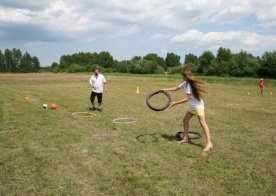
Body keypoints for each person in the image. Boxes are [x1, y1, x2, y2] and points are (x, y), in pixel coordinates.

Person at [160, 68, 213, 152]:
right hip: (192, 107)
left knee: (203, 123)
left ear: (185, 76)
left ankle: (209, 143)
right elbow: (176, 88)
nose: (182, 77)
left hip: (198, 107)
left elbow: (186, 99)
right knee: (185, 120)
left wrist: (175, 103)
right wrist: (164, 89)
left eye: (182, 76)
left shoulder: (189, 85)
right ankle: (185, 138)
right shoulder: (185, 83)